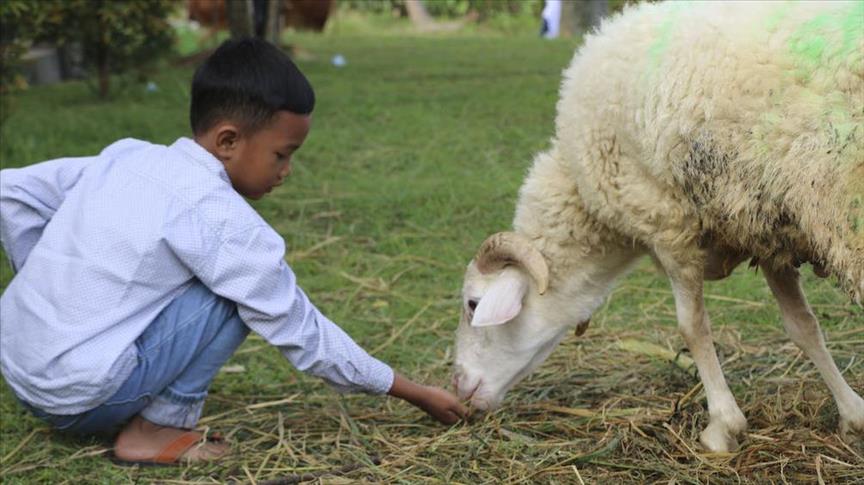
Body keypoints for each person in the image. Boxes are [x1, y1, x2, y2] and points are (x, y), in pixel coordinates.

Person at [0, 37, 467, 465]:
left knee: (215, 277)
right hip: (78, 401)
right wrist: (410, 391)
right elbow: (301, 329)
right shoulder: (219, 217)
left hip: (20, 372)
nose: (286, 171)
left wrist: (42, 283)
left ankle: (104, 380)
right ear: (227, 141)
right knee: (232, 293)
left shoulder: (127, 156)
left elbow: (11, 192)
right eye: (282, 154)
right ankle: (156, 429)